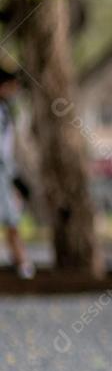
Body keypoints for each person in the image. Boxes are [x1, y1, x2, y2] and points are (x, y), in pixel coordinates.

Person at [0, 67, 34, 280]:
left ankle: (21, 262)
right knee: (11, 218)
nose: (15, 91)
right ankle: (22, 263)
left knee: (12, 217)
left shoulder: (6, 112)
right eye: (13, 87)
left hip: (5, 172)